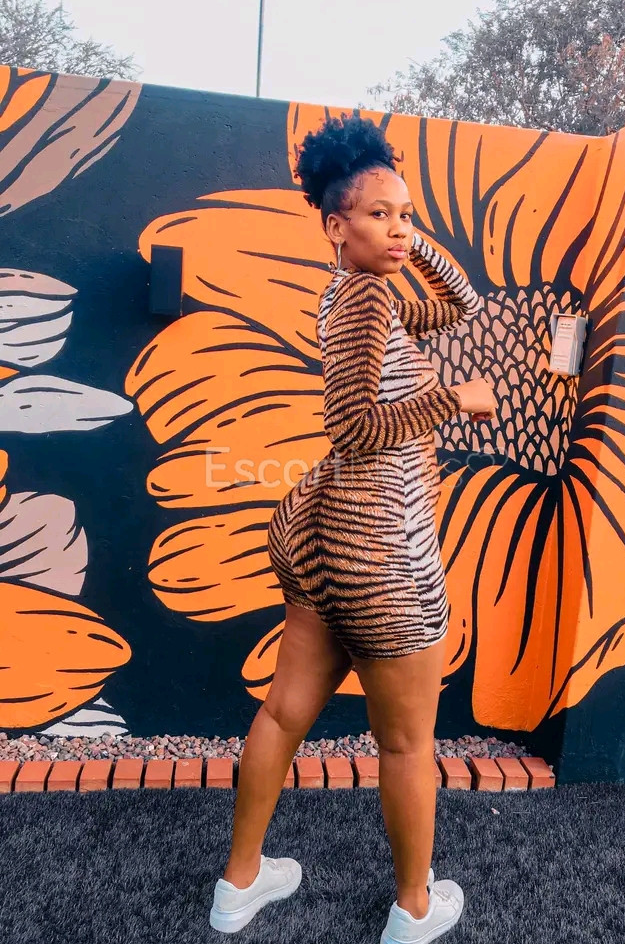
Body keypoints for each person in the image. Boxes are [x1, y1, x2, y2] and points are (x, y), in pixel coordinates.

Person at [209, 113, 496, 942]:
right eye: (378, 214)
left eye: (405, 214)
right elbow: (353, 427)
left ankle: (239, 884)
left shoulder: (356, 292)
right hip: (380, 548)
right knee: (405, 744)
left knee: (283, 711)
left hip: (320, 535)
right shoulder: (368, 300)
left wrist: (402, 231)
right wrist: (453, 399)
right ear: (335, 225)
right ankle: (413, 909)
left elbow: (461, 303)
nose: (399, 229)